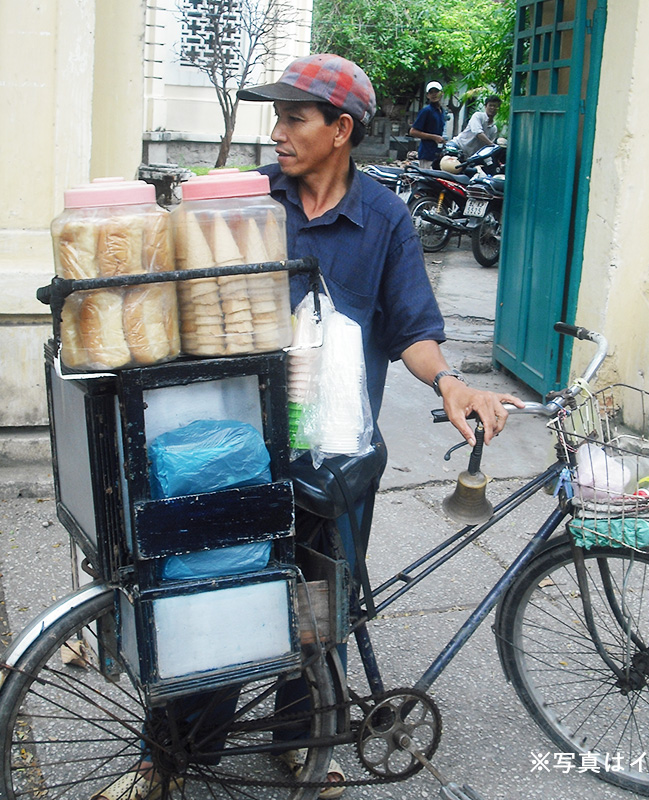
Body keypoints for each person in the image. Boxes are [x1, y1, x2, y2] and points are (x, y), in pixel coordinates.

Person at [92, 54, 522, 800]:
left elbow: (412, 329)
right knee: (213, 591)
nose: (279, 131)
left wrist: (452, 383)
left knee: (322, 601)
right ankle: (168, 752)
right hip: (233, 452)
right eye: (279, 115)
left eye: (296, 117)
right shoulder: (247, 200)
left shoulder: (383, 216)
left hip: (337, 451)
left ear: (341, 130)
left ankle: (304, 739)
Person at [409, 80, 446, 169]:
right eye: (431, 92)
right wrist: (434, 137)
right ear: (427, 95)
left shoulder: (442, 111)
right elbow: (413, 132)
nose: (434, 94)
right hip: (427, 153)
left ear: (442, 93)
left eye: (436, 92)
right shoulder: (426, 111)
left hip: (437, 153)